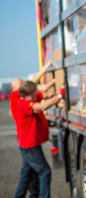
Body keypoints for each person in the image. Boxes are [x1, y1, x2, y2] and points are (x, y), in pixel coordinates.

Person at [9, 61, 55, 198]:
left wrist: (51, 84)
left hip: (26, 138)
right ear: (16, 89)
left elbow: (40, 90)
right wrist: (47, 66)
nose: (24, 84)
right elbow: (33, 82)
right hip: (26, 139)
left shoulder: (22, 96)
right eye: (21, 83)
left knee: (27, 172)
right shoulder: (16, 98)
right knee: (42, 172)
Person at [14, 81, 65, 198]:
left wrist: (55, 93)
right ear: (28, 94)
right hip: (29, 146)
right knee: (45, 172)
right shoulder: (24, 104)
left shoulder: (29, 99)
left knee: (25, 174)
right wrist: (60, 96)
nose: (36, 94)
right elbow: (42, 106)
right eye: (34, 93)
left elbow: (45, 95)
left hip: (28, 145)